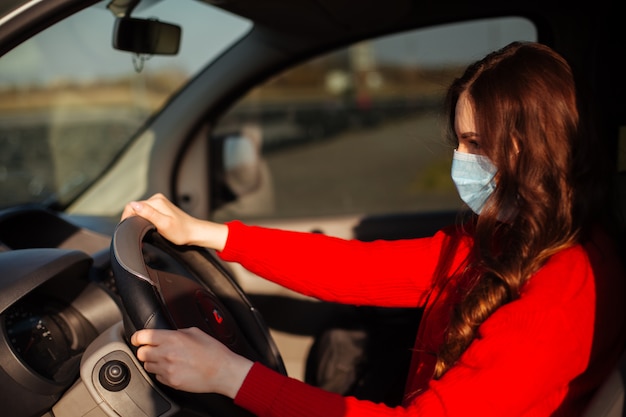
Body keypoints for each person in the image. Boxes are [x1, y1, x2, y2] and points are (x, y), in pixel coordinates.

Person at [121, 41, 626, 416]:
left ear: (528, 147)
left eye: (474, 143)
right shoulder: (499, 238)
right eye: (459, 141)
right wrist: (206, 233)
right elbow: (359, 267)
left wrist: (230, 375)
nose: (459, 161)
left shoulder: (566, 287)